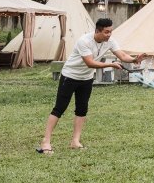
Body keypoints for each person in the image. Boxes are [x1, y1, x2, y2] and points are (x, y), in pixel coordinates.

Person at [37, 18, 146, 154]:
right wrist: (111, 64)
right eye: (106, 32)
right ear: (97, 31)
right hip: (70, 76)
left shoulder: (110, 41)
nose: (109, 35)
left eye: (110, 31)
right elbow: (90, 63)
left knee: (82, 109)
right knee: (60, 108)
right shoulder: (84, 41)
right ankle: (46, 142)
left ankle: (75, 141)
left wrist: (135, 59)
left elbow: (122, 55)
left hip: (86, 78)